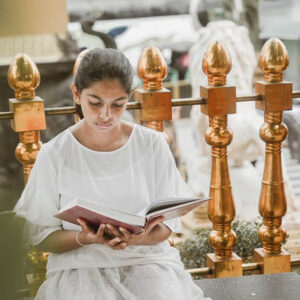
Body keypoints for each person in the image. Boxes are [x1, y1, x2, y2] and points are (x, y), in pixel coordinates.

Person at [13, 48, 211, 300]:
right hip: (80, 267)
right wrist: (85, 237)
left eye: (117, 104)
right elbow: (42, 237)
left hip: (146, 263)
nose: (105, 114)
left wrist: (137, 239)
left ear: (128, 98)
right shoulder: (55, 154)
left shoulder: (152, 144)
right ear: (76, 94)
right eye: (95, 103)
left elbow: (166, 228)